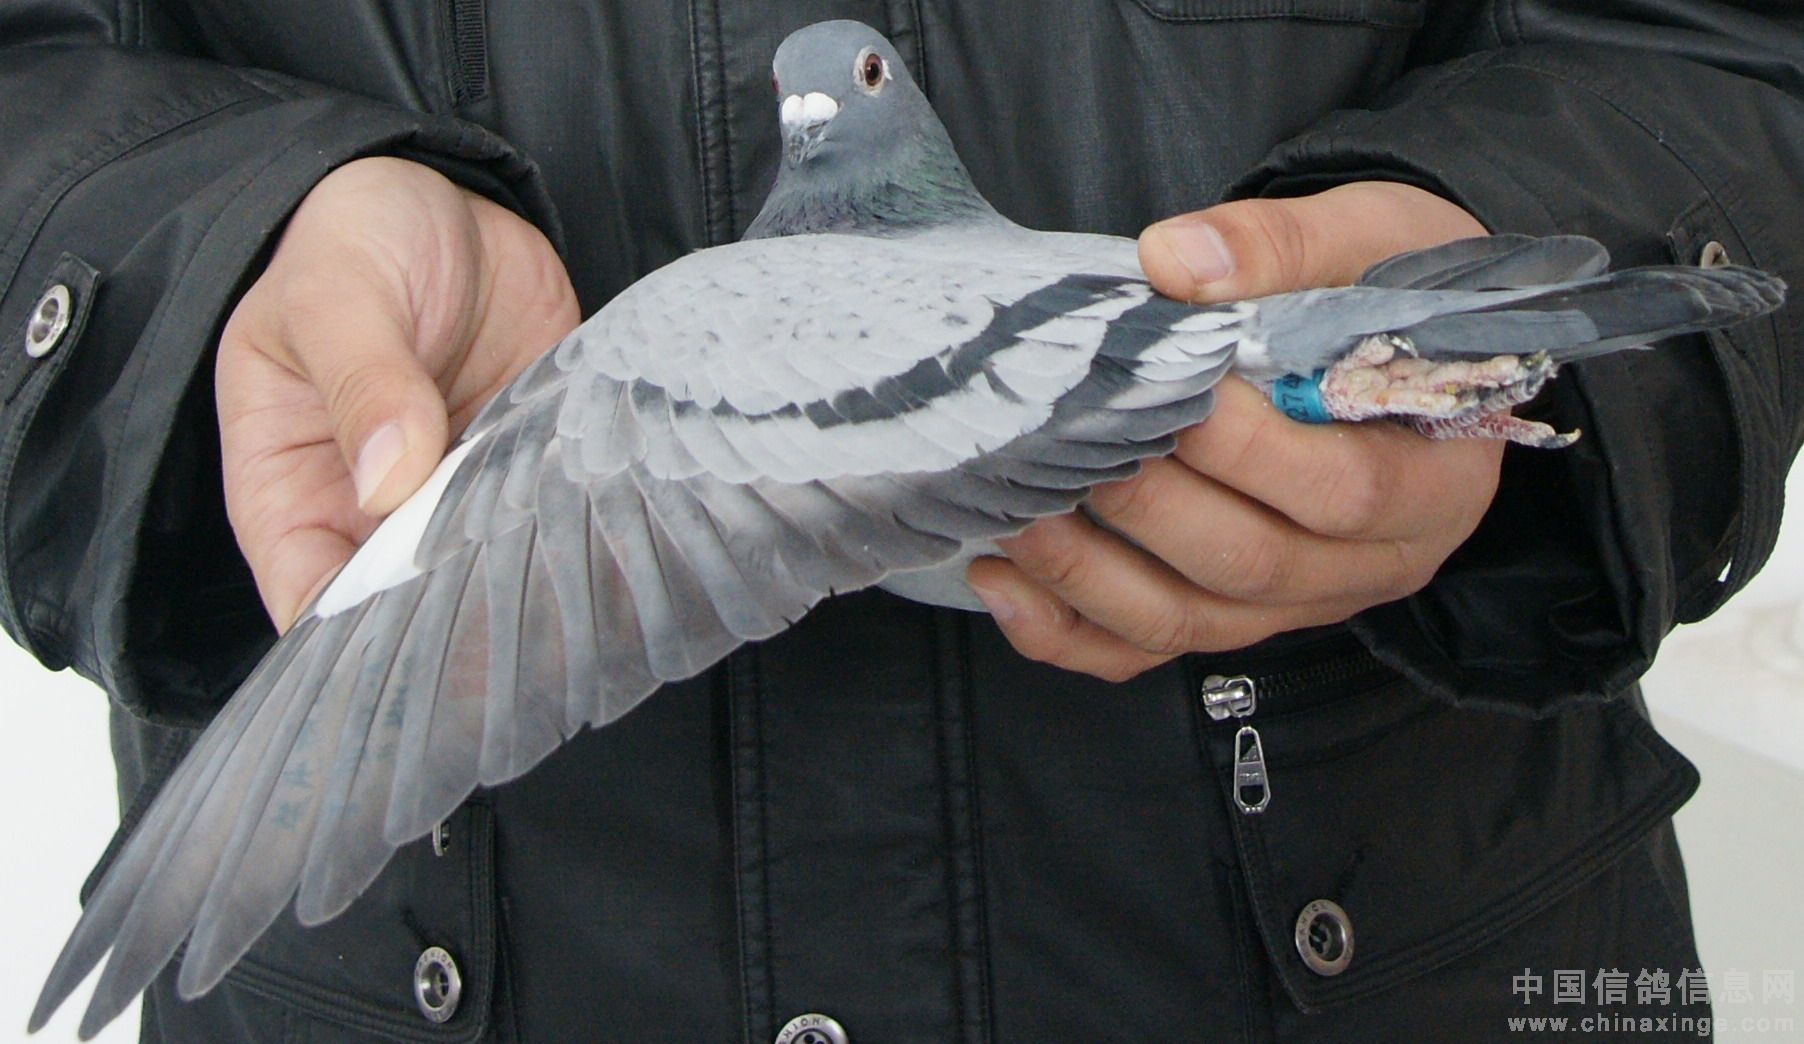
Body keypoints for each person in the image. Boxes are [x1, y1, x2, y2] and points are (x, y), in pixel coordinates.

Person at [2, 2, 1799, 1040]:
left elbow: (1710, 41)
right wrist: (224, 263)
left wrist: (1462, 219)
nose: (812, 114)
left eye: (841, 91)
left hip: (1375, 936)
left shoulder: (694, 332)